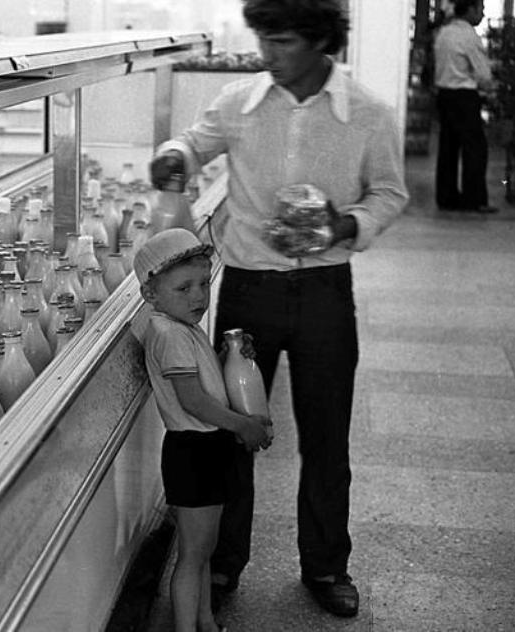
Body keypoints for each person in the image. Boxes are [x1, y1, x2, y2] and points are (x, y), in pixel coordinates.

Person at [149, 0, 408, 619]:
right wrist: (174, 156)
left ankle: (326, 566)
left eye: (283, 41)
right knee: (230, 432)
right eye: (263, 38)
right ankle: (223, 561)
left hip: (324, 291)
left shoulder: (367, 113)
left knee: (325, 436)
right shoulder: (238, 102)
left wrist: (345, 223)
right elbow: (193, 144)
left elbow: (390, 192)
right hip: (247, 289)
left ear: (320, 41)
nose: (268, 53)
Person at [135, 228, 272, 632]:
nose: (197, 297)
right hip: (193, 452)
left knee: (204, 550)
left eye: (203, 284)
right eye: (183, 288)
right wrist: (242, 425)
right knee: (193, 555)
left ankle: (206, 622)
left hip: (206, 448)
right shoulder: (169, 333)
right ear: (150, 294)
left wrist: (229, 355)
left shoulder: (181, 327)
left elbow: (204, 380)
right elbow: (193, 400)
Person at [433, 0, 496, 213]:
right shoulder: (468, 36)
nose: (482, 14)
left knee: (448, 148)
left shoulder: (444, 33)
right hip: (464, 97)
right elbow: (483, 74)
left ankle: (446, 197)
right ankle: (473, 199)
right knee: (475, 149)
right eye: (481, 9)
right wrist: (489, 88)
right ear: (469, 9)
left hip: (444, 95)